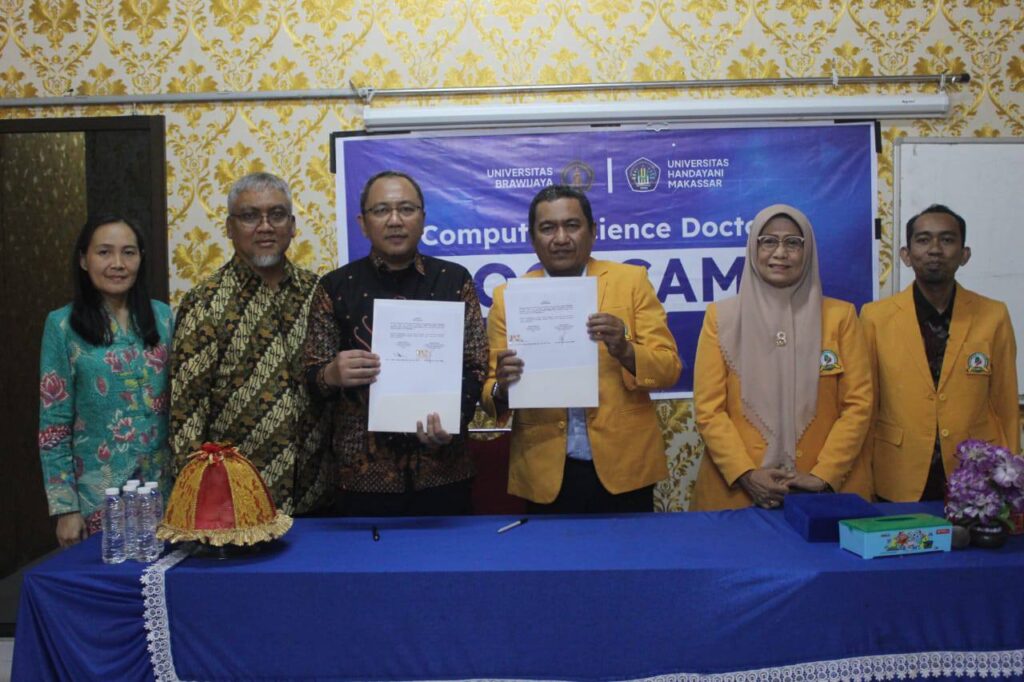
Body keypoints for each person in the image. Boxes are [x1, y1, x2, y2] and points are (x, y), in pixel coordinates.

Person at [482, 185, 681, 514]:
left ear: (593, 231)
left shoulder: (631, 282)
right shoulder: (508, 298)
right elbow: (490, 396)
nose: (561, 238)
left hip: (626, 466)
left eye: (572, 225)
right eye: (548, 228)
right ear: (532, 238)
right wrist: (504, 386)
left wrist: (625, 349)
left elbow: (669, 369)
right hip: (544, 471)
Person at [303, 170, 488, 516]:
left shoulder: (453, 280)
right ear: (362, 223)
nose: (394, 220)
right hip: (361, 480)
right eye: (381, 210)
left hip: (443, 471)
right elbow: (311, 377)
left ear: (422, 218)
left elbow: (476, 365)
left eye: (406, 209)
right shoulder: (336, 287)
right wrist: (331, 374)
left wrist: (453, 419)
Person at [690, 204, 873, 511]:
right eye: (768, 241)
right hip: (737, 494)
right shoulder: (721, 317)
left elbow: (858, 405)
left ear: (808, 251)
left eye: (793, 243)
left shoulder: (840, 317)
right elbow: (709, 409)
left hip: (821, 492)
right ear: (753, 248)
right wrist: (746, 474)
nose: (780, 253)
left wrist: (823, 475)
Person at [170, 172, 331, 515]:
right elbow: (187, 412)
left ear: (292, 225)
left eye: (277, 215)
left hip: (317, 497)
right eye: (250, 216)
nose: (265, 227)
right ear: (230, 227)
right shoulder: (205, 302)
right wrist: (194, 499)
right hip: (237, 502)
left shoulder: (319, 294)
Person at [861, 204, 1019, 502]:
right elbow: (866, 405)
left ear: (964, 254)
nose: (935, 249)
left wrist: (1010, 476)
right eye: (923, 240)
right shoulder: (875, 318)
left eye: (947, 240)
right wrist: (863, 479)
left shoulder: (993, 315)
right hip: (897, 472)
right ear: (906, 255)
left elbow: (1005, 402)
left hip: (975, 473)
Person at [38, 214, 173, 547]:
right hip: (98, 499)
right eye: (104, 252)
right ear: (84, 260)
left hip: (164, 492)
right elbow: (54, 425)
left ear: (141, 258)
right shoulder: (62, 326)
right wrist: (65, 507)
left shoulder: (164, 317)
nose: (118, 264)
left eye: (128, 252)